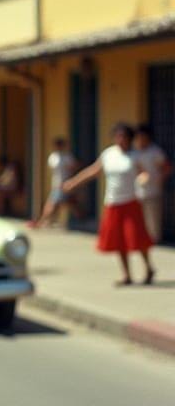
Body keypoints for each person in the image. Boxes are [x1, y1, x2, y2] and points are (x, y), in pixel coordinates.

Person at [63, 122, 156, 286]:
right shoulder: (108, 154)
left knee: (137, 238)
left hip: (130, 202)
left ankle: (148, 268)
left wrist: (144, 179)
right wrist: (73, 182)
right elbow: (93, 171)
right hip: (113, 203)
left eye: (123, 137)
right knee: (119, 240)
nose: (120, 140)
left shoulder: (135, 156)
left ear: (129, 139)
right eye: (117, 136)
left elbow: (144, 173)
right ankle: (127, 275)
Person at [133, 123, 170, 243]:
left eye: (142, 136)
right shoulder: (135, 152)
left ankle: (154, 241)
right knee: (138, 219)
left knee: (153, 219)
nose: (140, 139)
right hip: (136, 192)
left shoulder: (155, 151)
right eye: (138, 137)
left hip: (153, 191)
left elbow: (167, 168)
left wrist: (158, 179)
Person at [30, 137, 79, 228]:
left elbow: (74, 167)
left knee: (52, 203)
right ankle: (47, 220)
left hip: (65, 184)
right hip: (58, 184)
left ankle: (42, 221)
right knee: (62, 203)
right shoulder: (54, 157)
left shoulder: (66, 156)